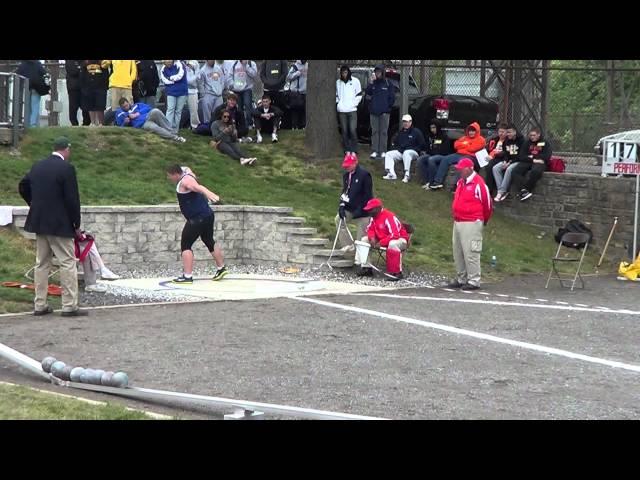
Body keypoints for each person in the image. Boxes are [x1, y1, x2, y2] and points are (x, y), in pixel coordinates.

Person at [18, 137, 88, 316]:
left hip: (40, 221)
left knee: (41, 263)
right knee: (67, 262)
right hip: (60, 223)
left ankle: (39, 304)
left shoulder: (38, 166)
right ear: (66, 149)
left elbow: (23, 185)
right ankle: (69, 305)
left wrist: (33, 203)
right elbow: (72, 199)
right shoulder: (66, 168)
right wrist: (76, 224)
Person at [165, 164, 228, 283]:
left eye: (169, 176)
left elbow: (197, 187)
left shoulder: (185, 182)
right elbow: (187, 168)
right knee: (209, 240)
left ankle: (187, 276)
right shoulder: (186, 171)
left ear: (176, 174)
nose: (169, 178)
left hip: (197, 218)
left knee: (186, 245)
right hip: (208, 214)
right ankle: (221, 268)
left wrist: (208, 193)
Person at [448, 158, 493, 291]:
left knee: (471, 252)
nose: (459, 170)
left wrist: (483, 220)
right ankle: (462, 277)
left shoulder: (479, 184)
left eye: (461, 168)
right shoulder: (461, 182)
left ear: (469, 169)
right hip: (459, 220)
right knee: (458, 251)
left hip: (472, 221)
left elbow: (488, 205)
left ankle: (474, 280)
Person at [357, 198, 409, 281]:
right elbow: (370, 229)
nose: (369, 212)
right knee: (364, 240)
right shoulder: (373, 217)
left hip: (400, 239)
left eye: (371, 209)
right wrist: (372, 238)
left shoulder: (389, 216)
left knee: (393, 244)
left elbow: (395, 235)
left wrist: (381, 243)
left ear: (377, 208)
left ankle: (397, 272)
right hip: (382, 239)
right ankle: (366, 268)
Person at [429, 122, 486, 190]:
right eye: (470, 131)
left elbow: (472, 149)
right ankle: (437, 182)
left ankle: (457, 186)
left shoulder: (481, 139)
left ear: (477, 131)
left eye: (473, 131)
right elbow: (456, 145)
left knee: (462, 163)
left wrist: (464, 145)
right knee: (446, 159)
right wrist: (467, 144)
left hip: (470, 156)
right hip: (458, 154)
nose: (471, 132)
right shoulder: (464, 137)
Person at [336, 153, 373, 256]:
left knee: (361, 237)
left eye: (349, 165)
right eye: (346, 165)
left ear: (355, 163)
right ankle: (348, 246)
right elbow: (345, 191)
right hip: (350, 207)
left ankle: (361, 261)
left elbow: (367, 195)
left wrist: (361, 209)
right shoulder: (346, 175)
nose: (346, 167)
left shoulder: (364, 175)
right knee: (339, 220)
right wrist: (342, 206)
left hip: (363, 210)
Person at [114, 98, 186, 143]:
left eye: (127, 105)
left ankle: (172, 131)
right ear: (121, 107)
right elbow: (120, 126)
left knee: (156, 110)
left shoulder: (136, 105)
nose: (126, 107)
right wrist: (125, 123)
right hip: (142, 124)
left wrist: (138, 113)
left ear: (129, 103)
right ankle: (175, 138)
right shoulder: (120, 113)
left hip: (148, 116)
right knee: (155, 128)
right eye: (124, 107)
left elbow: (148, 107)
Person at [511, 127, 552, 202]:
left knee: (535, 172)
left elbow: (547, 156)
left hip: (540, 162)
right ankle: (524, 190)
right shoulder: (527, 143)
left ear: (538, 135)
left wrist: (533, 156)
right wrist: (533, 159)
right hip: (529, 161)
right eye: (530, 135)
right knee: (515, 171)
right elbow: (521, 156)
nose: (532, 137)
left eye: (534, 135)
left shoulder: (545, 143)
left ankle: (526, 190)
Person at [383, 114, 426, 183]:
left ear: (411, 122)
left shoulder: (416, 132)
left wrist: (416, 149)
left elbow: (422, 144)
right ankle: (391, 173)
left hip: (414, 152)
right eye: (404, 122)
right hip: (402, 152)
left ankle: (407, 174)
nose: (406, 123)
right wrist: (398, 149)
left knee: (407, 152)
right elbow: (395, 143)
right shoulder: (401, 132)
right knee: (388, 154)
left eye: (408, 121)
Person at [365, 64, 396, 159]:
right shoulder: (373, 84)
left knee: (383, 132)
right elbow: (368, 93)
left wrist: (387, 108)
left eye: (379, 72)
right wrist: (371, 82)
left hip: (384, 113)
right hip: (374, 112)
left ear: (382, 72)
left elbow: (392, 98)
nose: (377, 74)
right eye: (376, 72)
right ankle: (375, 150)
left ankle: (383, 151)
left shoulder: (388, 83)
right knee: (375, 132)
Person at [491, 124, 525, 202]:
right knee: (495, 168)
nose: (508, 134)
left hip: (518, 161)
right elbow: (506, 153)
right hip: (508, 160)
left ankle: (501, 192)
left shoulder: (522, 140)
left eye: (510, 132)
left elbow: (521, 155)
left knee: (509, 169)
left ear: (515, 132)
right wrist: (505, 161)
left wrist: (509, 163)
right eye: (507, 132)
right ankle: (503, 191)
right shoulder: (506, 141)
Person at [417, 119, 452, 189]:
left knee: (431, 159)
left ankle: (432, 182)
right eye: (431, 128)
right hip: (431, 154)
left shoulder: (444, 136)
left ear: (438, 127)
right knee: (420, 159)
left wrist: (434, 151)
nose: (432, 130)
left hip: (442, 155)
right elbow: (428, 147)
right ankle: (427, 181)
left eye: (434, 128)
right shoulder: (430, 136)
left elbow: (445, 150)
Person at [336, 65, 362, 155]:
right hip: (342, 110)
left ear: (349, 72)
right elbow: (336, 95)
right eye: (343, 73)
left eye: (346, 72)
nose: (344, 74)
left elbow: (359, 95)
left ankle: (354, 149)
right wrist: (339, 104)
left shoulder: (355, 81)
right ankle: (347, 149)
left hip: (352, 110)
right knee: (344, 130)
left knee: (352, 129)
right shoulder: (338, 82)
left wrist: (353, 104)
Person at [16, 60, 50, 127]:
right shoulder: (37, 64)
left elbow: (18, 74)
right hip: (36, 88)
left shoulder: (23, 65)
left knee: (28, 107)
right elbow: (44, 73)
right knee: (35, 106)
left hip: (27, 88)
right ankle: (33, 124)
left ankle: (27, 124)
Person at [226, 60, 258, 128]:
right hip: (236, 90)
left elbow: (254, 74)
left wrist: (246, 66)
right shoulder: (234, 64)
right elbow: (230, 75)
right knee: (239, 108)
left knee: (247, 105)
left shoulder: (251, 63)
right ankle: (242, 123)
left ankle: (249, 123)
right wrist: (232, 85)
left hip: (247, 89)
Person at [160, 60, 188, 130]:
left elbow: (180, 76)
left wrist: (170, 78)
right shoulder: (163, 69)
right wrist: (173, 81)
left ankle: (175, 130)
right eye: (166, 60)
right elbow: (165, 80)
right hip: (171, 92)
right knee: (170, 109)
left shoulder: (180, 64)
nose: (169, 61)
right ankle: (168, 128)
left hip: (182, 91)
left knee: (178, 111)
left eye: (170, 60)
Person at [80, 60, 109, 126]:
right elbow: (82, 74)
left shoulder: (102, 62)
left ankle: (101, 123)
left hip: (100, 87)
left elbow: (106, 74)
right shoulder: (86, 62)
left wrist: (104, 86)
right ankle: (93, 123)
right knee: (90, 106)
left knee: (100, 106)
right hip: (88, 87)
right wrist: (83, 86)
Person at [484, 122, 509, 195]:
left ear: (507, 132)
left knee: (490, 165)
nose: (501, 133)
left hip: (501, 158)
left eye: (503, 132)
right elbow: (489, 148)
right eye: (499, 131)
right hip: (491, 157)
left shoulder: (508, 141)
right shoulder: (495, 139)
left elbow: (505, 152)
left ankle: (489, 189)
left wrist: (494, 155)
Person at [64, 60, 90, 126]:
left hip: (85, 86)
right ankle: (74, 124)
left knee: (85, 107)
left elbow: (88, 71)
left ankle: (86, 123)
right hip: (73, 88)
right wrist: (82, 66)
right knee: (73, 107)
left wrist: (80, 67)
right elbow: (73, 71)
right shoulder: (70, 61)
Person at [285, 60, 307, 130]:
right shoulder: (295, 66)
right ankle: (294, 126)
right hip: (296, 92)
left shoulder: (308, 66)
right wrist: (296, 74)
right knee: (295, 110)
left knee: (304, 110)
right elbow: (288, 78)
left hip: (305, 92)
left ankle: (303, 126)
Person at [184, 60, 201, 129]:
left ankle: (195, 126)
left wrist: (196, 78)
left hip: (193, 91)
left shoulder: (196, 62)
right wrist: (196, 77)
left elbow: (199, 78)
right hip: (184, 90)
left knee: (194, 110)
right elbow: (188, 80)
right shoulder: (184, 63)